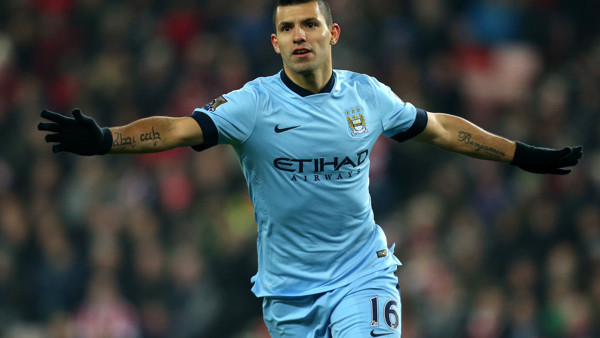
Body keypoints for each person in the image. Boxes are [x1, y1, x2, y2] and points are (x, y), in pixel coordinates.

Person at [38, 0, 583, 336]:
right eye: (288, 28)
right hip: (287, 293)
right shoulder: (253, 105)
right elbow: (179, 128)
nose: (299, 35)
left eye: (309, 24)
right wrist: (108, 139)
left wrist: (518, 153)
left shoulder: (368, 96)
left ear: (331, 33)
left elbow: (440, 128)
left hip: (362, 274)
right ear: (275, 43)